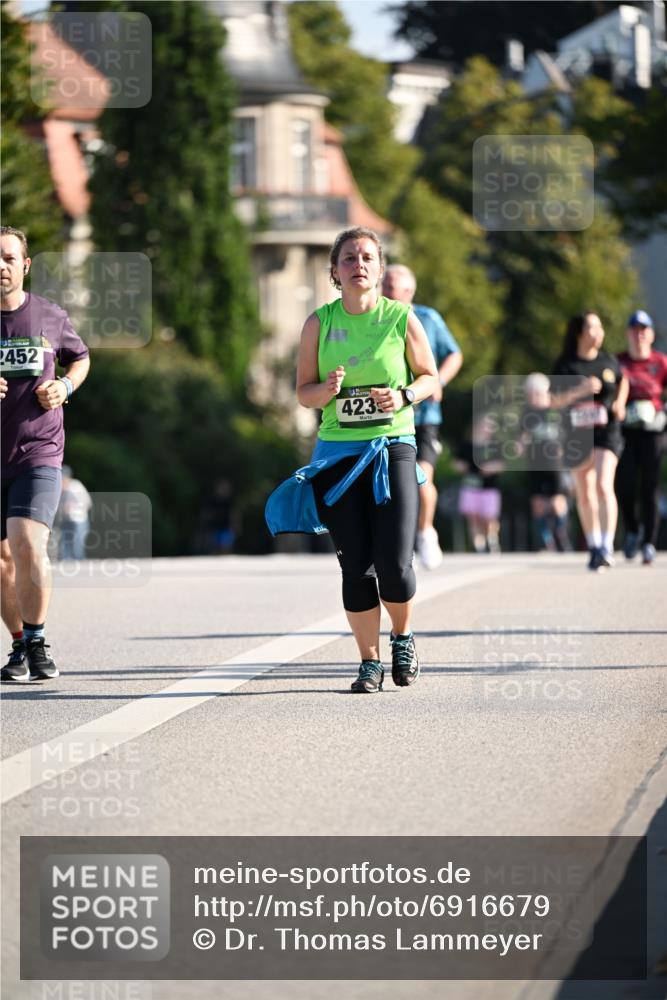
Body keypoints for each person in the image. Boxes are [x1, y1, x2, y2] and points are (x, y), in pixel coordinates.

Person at [265, 226, 439, 693]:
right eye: (348, 258)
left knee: (394, 562)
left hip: (391, 449)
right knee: (355, 564)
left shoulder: (400, 319)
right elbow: (304, 393)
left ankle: (402, 637)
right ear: (335, 272)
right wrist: (327, 391)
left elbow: (430, 379)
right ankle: (368, 661)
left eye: (366, 257)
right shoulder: (318, 324)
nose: (357, 264)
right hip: (337, 455)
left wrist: (402, 395)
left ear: (380, 269)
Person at [1, 226, 90, 681]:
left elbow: (81, 357)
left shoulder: (49, 316)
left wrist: (65, 385)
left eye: (9, 258)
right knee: (1, 559)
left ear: (24, 265)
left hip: (38, 450)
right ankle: (18, 646)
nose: (1, 266)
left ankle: (36, 641)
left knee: (27, 541)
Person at [381, 265, 463, 569]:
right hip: (386, 414)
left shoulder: (427, 319)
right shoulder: (373, 319)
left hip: (423, 415)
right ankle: (399, 540)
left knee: (421, 476)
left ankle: (426, 531)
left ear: (408, 292)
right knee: (388, 482)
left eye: (393, 287)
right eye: (384, 286)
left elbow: (454, 353)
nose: (387, 292)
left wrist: (438, 381)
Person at [552, 311, 627, 571]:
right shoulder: (565, 365)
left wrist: (619, 402)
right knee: (584, 491)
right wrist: (580, 390)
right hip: (576, 434)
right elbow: (553, 400)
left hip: (607, 432)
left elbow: (622, 380)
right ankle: (594, 546)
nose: (600, 332)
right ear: (580, 333)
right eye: (594, 327)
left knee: (603, 483)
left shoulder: (609, 361)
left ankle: (607, 545)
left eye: (600, 327)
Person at [615, 310, 667, 565]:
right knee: (624, 485)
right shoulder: (619, 362)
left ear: (651, 334)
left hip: (653, 432)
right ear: (628, 334)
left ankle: (649, 542)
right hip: (625, 432)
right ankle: (633, 530)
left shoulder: (660, 362)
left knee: (650, 486)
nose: (639, 335)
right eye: (634, 330)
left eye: (644, 329)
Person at [520, 373, 572, 552]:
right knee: (538, 505)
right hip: (534, 463)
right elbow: (522, 436)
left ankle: (561, 536)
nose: (533, 397)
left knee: (558, 503)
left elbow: (569, 434)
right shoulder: (527, 413)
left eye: (536, 393)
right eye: (530, 393)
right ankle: (546, 542)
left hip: (556, 464)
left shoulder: (556, 410)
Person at [453, 414, 504, 553]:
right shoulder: (466, 445)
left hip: (489, 487)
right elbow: (456, 463)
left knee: (489, 517)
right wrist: (461, 466)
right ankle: (479, 546)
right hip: (471, 486)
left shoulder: (495, 445)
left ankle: (492, 540)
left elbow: (502, 464)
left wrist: (491, 468)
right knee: (473, 517)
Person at [56, 466, 92, 561]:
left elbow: (87, 502)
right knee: (65, 542)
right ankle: (66, 562)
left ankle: (79, 563)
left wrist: (73, 507)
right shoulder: (59, 489)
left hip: (78, 520)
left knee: (77, 544)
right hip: (66, 519)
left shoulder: (76, 486)